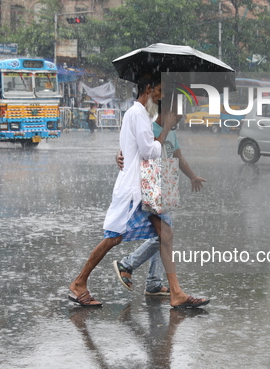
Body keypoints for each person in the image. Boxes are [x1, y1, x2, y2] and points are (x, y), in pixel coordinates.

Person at [68, 74, 209, 309]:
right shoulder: (138, 114)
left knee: (165, 234)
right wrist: (165, 129)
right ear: (148, 88)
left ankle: (176, 293)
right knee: (113, 238)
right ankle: (79, 282)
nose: (162, 95)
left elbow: (133, 149)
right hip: (135, 190)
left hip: (143, 190)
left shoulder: (137, 114)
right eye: (160, 90)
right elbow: (149, 151)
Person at [113, 102, 207, 296]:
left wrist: (192, 176)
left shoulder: (171, 132)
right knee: (165, 234)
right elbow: (136, 150)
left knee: (162, 236)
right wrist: (119, 155)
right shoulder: (150, 128)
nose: (182, 118)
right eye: (179, 114)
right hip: (150, 185)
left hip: (166, 184)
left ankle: (154, 282)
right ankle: (127, 264)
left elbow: (178, 156)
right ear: (168, 112)